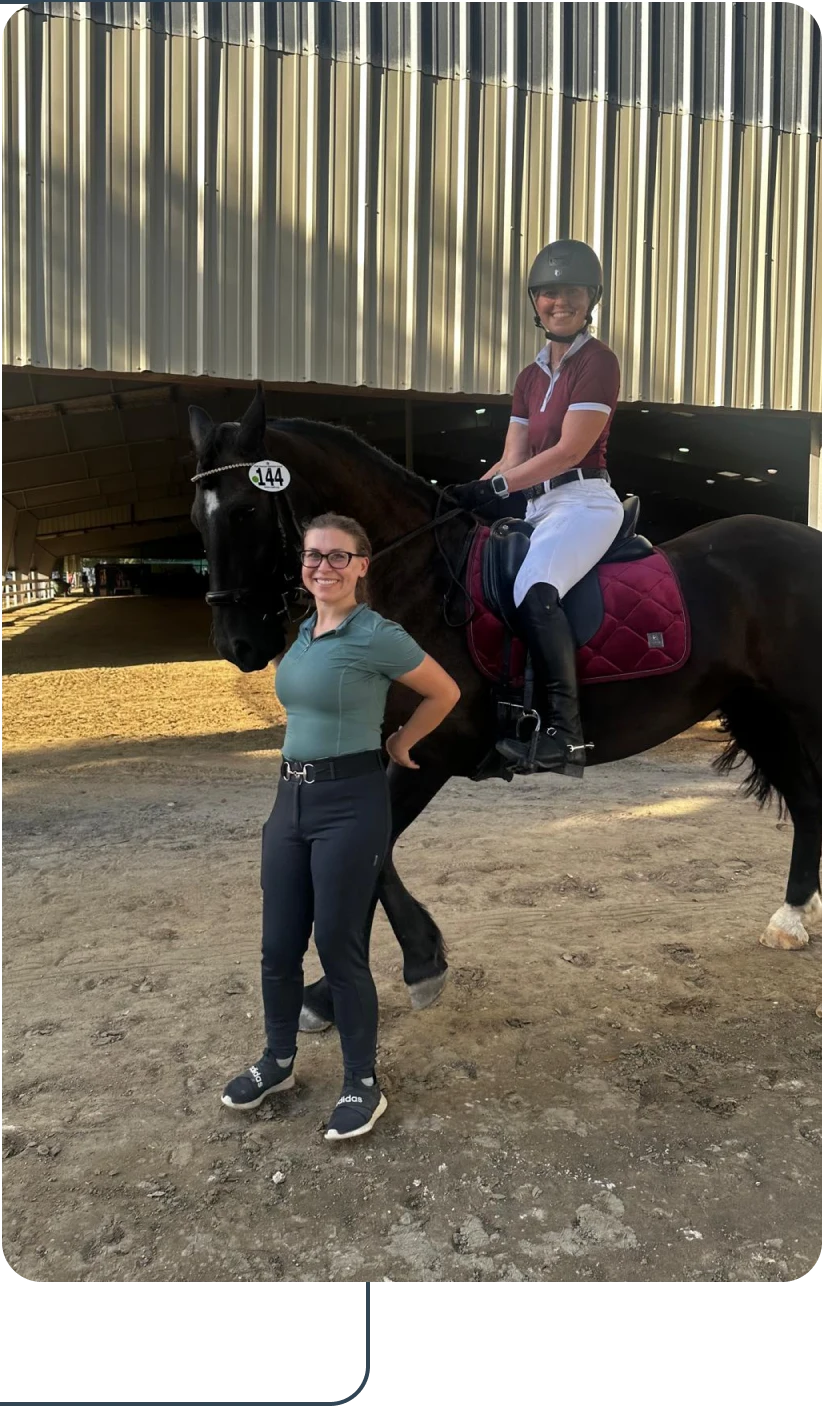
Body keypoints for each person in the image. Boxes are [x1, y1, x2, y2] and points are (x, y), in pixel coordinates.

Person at [220, 514, 461, 1140]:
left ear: (362, 564)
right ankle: (277, 1061)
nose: (322, 566)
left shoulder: (377, 634)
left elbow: (445, 692)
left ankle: (362, 1081)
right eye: (313, 556)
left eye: (337, 557)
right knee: (277, 947)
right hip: (289, 801)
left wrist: (403, 740)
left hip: (351, 802)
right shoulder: (303, 632)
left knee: (338, 945)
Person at [445, 239, 622, 778]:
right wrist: (462, 494)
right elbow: (512, 458)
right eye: (548, 293)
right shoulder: (528, 376)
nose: (558, 301)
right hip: (542, 508)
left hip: (585, 501)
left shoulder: (598, 362)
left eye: (570, 292)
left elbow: (568, 450)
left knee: (533, 590)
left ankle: (564, 734)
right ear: (535, 302)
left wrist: (498, 492)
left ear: (590, 299)